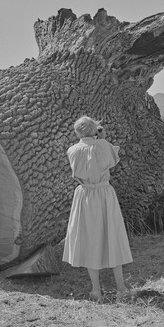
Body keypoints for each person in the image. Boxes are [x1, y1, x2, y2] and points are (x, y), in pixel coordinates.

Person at [62, 115, 133, 300]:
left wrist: (95, 137)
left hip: (85, 195)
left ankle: (96, 290)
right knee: (112, 236)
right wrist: (101, 138)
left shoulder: (73, 150)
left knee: (89, 238)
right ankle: (121, 288)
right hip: (104, 193)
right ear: (94, 130)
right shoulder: (103, 145)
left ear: (77, 132)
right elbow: (112, 159)